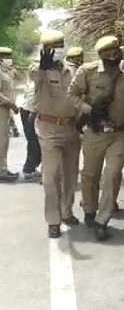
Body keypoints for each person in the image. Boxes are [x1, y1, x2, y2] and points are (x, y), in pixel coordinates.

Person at [68, 35, 124, 240]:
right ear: (100, 55)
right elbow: (72, 94)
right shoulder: (87, 71)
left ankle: (103, 219)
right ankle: (90, 209)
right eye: (108, 54)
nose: (113, 56)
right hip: (95, 132)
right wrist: (89, 110)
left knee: (112, 175)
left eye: (116, 52)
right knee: (90, 175)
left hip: (120, 133)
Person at [31, 30, 82, 238]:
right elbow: (33, 75)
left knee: (71, 174)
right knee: (51, 177)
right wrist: (43, 68)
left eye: (59, 46)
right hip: (48, 129)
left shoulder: (74, 70)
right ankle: (53, 220)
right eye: (50, 48)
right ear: (44, 50)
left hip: (71, 128)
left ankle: (67, 212)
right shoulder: (38, 69)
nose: (55, 51)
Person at [18, 59, 42, 183]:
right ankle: (29, 169)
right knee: (34, 142)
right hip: (29, 112)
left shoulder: (34, 82)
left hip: (29, 111)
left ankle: (31, 168)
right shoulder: (34, 83)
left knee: (35, 142)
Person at [0, 46, 19, 182]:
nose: (9, 59)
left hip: (5, 110)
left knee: (4, 140)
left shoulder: (4, 71)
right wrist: (12, 104)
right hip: (1, 108)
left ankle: (3, 167)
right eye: (6, 57)